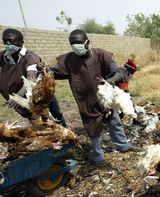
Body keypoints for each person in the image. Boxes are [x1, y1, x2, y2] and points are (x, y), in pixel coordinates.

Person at [50, 29, 133, 167]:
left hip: (105, 98)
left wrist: (111, 80)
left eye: (79, 42)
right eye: (73, 43)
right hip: (86, 101)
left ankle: (123, 146)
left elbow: (117, 71)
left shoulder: (101, 55)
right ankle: (98, 157)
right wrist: (43, 71)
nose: (76, 46)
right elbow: (54, 72)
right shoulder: (69, 60)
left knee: (115, 122)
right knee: (94, 131)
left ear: (87, 42)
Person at [0, 28, 66, 127]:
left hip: (38, 94)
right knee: (34, 119)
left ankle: (67, 141)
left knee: (53, 117)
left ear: (21, 42)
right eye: (5, 41)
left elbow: (31, 80)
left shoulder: (30, 57)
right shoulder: (2, 56)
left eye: (12, 41)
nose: (8, 44)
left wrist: (16, 98)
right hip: (19, 99)